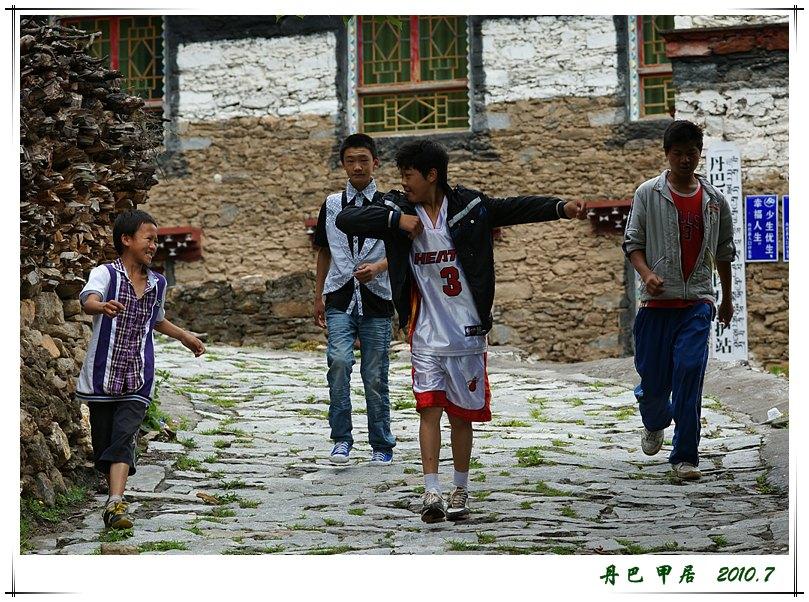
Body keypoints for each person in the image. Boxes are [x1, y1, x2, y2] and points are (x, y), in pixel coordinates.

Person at [336, 139, 586, 522]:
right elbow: (347, 220)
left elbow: (514, 208)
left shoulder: (469, 207)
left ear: (431, 175)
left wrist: (559, 208)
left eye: (409, 176)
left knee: (461, 416)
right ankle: (431, 491)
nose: (403, 183)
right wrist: (394, 222)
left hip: (467, 333)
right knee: (428, 409)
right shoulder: (398, 208)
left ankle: (460, 488)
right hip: (425, 332)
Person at [76, 209, 205, 529]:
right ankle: (112, 492)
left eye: (156, 241)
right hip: (103, 375)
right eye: (148, 239)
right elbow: (88, 300)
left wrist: (185, 336)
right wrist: (101, 306)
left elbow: (156, 319)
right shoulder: (105, 274)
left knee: (124, 439)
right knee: (104, 445)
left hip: (138, 374)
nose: (153, 246)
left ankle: (115, 503)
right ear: (126, 239)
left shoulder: (158, 283)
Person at [623, 119, 735, 480]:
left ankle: (685, 457)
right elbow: (632, 243)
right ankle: (654, 421)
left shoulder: (715, 201)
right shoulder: (648, 193)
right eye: (678, 153)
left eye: (691, 153)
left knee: (689, 373)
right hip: (656, 305)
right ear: (667, 154)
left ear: (699, 154)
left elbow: (724, 252)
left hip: (698, 303)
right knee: (653, 385)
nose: (685, 160)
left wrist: (726, 298)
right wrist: (647, 274)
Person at [313, 133, 396, 465]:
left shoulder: (390, 204)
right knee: (338, 362)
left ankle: (381, 443)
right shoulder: (332, 204)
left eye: (364, 160)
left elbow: (402, 251)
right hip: (339, 295)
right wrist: (318, 295)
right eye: (351, 161)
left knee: (375, 374)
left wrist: (378, 268)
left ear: (375, 162)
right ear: (343, 165)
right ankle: (341, 439)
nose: (358, 167)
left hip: (377, 298)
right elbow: (323, 251)